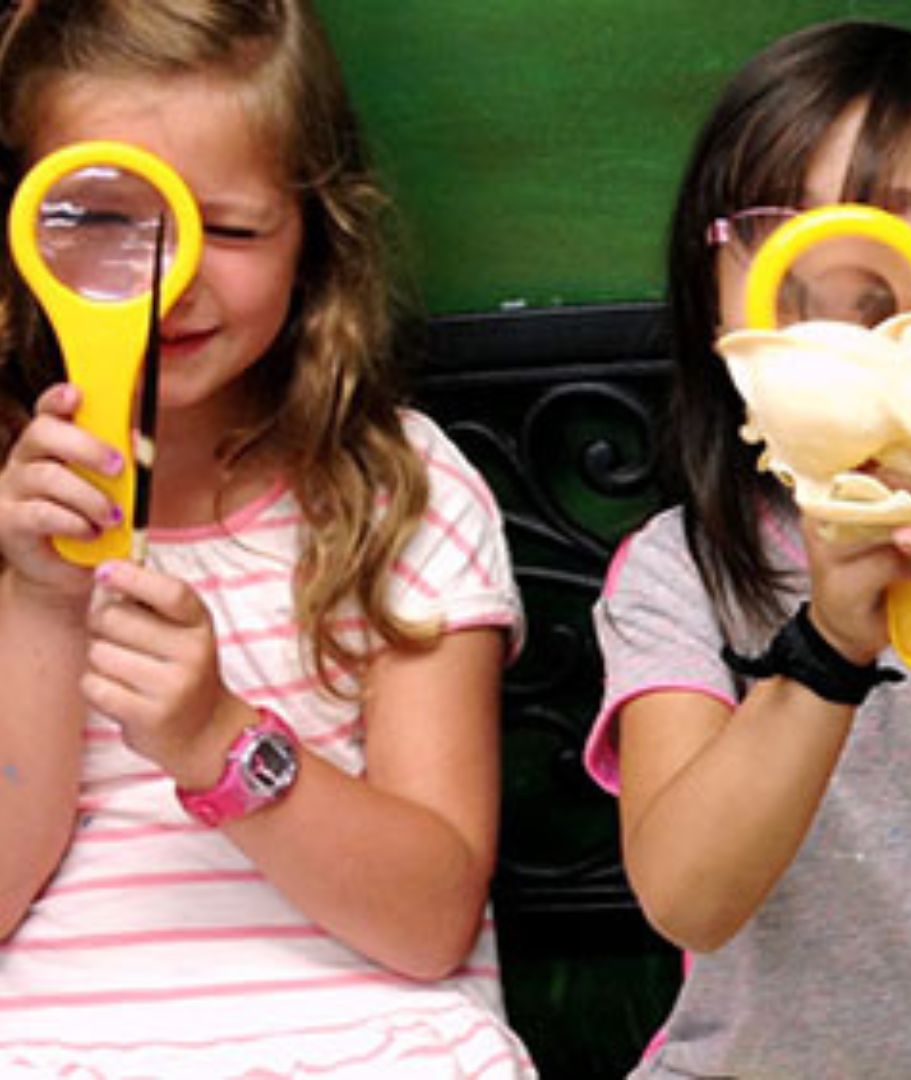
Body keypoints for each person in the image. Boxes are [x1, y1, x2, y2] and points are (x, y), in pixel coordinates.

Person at [0, 1, 536, 1076]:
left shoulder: (401, 493)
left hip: (374, 1044)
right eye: (102, 220)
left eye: (230, 228)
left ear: (316, 229)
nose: (170, 277)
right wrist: (40, 601)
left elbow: (430, 922)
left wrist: (219, 741)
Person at [584, 19, 911, 1078]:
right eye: (785, 234)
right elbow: (687, 896)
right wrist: (825, 646)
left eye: (909, 238)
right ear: (719, 287)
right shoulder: (682, 568)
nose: (847, 281)